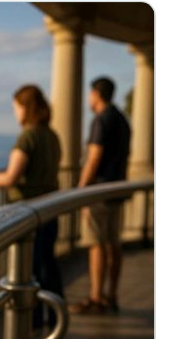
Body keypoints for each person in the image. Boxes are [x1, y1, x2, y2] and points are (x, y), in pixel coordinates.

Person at [0, 85, 64, 304]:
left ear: (25, 108)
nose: (15, 113)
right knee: (48, 263)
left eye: (16, 108)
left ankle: (31, 322)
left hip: (28, 212)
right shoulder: (52, 136)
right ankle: (55, 316)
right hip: (50, 209)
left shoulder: (28, 138)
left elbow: (10, 178)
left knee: (29, 270)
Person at [71, 76, 131, 314]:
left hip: (98, 191)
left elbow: (94, 156)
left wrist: (81, 189)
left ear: (96, 94)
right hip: (117, 189)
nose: (88, 98)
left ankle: (96, 297)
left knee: (96, 244)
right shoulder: (122, 120)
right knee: (113, 243)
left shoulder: (101, 120)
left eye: (90, 94)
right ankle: (111, 295)